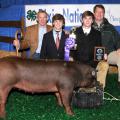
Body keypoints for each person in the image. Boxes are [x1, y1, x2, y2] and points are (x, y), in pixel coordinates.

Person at [92, 4, 120, 88]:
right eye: (97, 12)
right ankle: (98, 90)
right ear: (94, 13)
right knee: (102, 65)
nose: (99, 14)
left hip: (109, 54)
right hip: (93, 56)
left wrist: (119, 48)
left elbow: (118, 40)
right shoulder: (89, 26)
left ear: (104, 14)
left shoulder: (111, 28)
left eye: (102, 12)